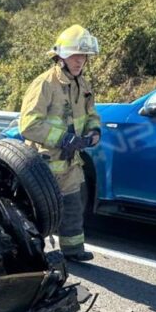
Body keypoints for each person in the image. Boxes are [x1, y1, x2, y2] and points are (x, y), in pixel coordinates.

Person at [18, 24, 102, 262]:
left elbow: (92, 114)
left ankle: (73, 250)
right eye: (75, 55)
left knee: (73, 209)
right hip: (44, 165)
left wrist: (94, 131)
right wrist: (63, 138)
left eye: (84, 56)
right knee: (37, 214)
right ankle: (29, 257)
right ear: (61, 57)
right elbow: (29, 124)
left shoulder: (82, 85)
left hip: (70, 164)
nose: (80, 61)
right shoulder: (44, 84)